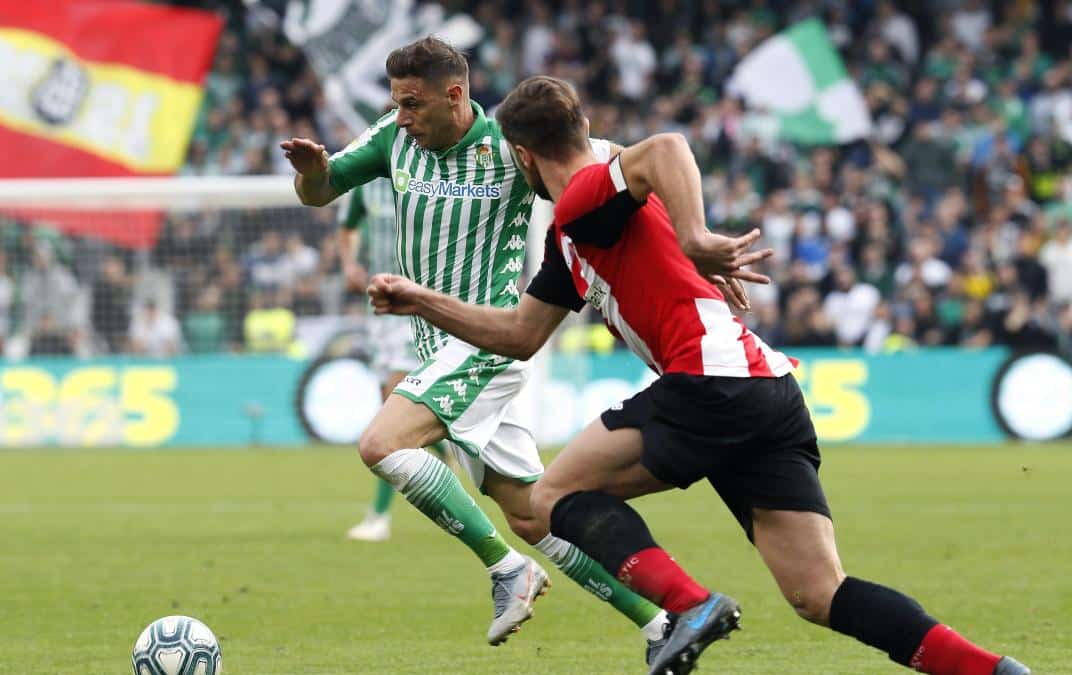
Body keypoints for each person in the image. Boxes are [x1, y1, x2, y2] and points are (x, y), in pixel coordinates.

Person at [367, 75, 1030, 675]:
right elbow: (517, 334)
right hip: (764, 390)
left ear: (523, 155)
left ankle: (690, 605)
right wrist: (421, 297)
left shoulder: (587, 193)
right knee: (818, 592)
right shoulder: (574, 234)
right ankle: (994, 671)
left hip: (712, 380)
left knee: (553, 495)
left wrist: (694, 235)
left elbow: (666, 148)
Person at [280, 37, 751, 658]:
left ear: (455, 95)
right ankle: (661, 621)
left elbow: (637, 170)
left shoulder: (513, 145)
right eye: (396, 104)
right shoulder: (392, 138)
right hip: (432, 347)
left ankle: (507, 571)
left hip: (487, 339)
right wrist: (312, 174)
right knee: (533, 513)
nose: (402, 117)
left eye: (413, 104)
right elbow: (320, 192)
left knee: (381, 442)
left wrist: (695, 245)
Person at [337, 176, 452, 542]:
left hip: (417, 305)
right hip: (379, 310)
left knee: (391, 410)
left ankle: (378, 517)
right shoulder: (366, 184)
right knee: (390, 407)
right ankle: (446, 445)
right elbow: (347, 227)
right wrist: (349, 265)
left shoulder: (432, 175)